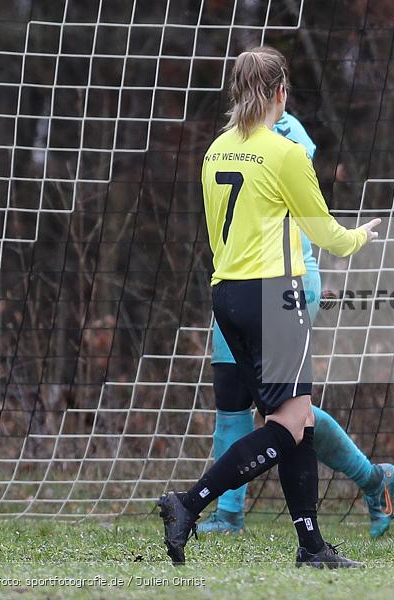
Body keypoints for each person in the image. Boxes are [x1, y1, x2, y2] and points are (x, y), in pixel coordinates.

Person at [157, 46, 381, 569]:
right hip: (277, 297)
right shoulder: (286, 154)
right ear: (281, 93)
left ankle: (311, 546)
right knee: (288, 425)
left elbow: (217, 234)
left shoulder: (215, 150)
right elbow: (325, 232)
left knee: (293, 421)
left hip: (227, 295)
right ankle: (188, 503)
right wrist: (359, 237)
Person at [198, 111, 394, 539]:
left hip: (283, 281)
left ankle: (370, 479)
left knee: (289, 413)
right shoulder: (228, 139)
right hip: (238, 281)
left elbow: (303, 215)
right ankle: (228, 515)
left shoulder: (287, 136)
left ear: (276, 91)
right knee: (232, 399)